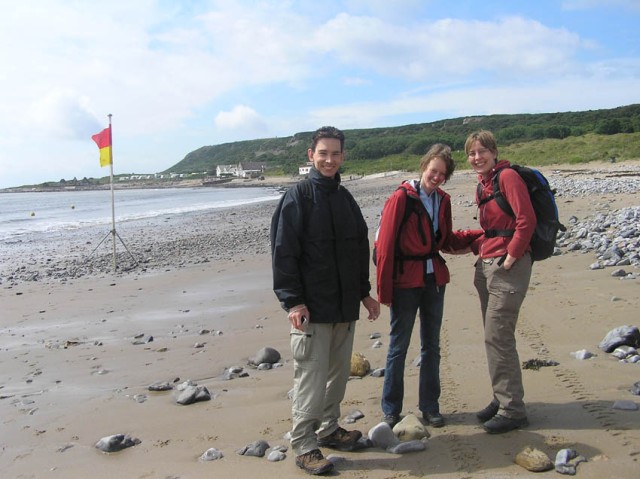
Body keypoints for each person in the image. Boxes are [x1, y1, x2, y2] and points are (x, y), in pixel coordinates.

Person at [271, 126, 380, 475]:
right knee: (311, 379)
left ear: (343, 156)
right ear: (311, 155)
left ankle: (329, 429)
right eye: (323, 153)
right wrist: (294, 302)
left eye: (335, 153)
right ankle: (304, 445)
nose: (329, 159)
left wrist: (364, 293)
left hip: (345, 306)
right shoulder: (297, 198)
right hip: (311, 310)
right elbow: (283, 253)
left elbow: (359, 248)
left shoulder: (345, 198)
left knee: (337, 378)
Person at [375, 143, 481, 430]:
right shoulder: (401, 198)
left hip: (434, 280)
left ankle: (430, 408)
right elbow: (383, 245)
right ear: (424, 167)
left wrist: (481, 237)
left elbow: (445, 240)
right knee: (399, 347)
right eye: (433, 171)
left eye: (442, 174)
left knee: (432, 346)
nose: (436, 177)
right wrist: (383, 290)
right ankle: (390, 410)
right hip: (405, 282)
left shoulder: (442, 200)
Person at [464, 130, 536, 434]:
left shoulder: (507, 177)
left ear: (494, 151)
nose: (477, 157)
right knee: (494, 336)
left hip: (508, 266)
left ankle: (512, 409)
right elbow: (492, 229)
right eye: (471, 153)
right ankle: (501, 397)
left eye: (482, 151)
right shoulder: (484, 183)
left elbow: (526, 220)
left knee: (499, 337)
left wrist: (511, 257)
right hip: (488, 264)